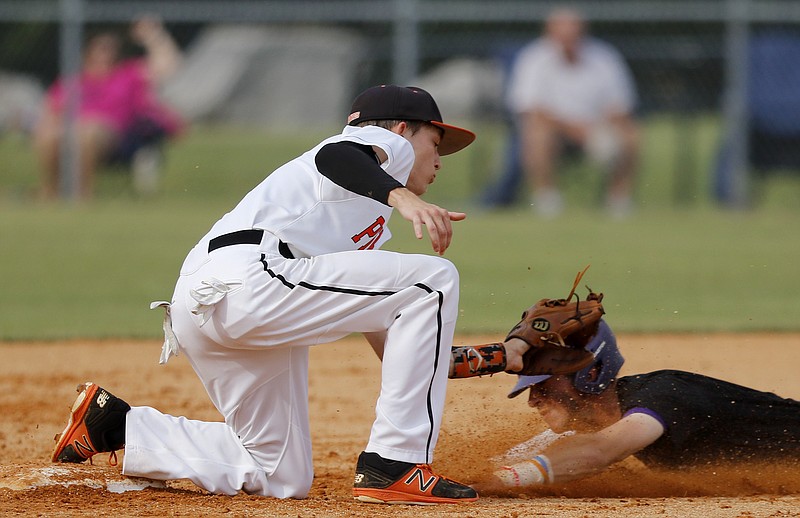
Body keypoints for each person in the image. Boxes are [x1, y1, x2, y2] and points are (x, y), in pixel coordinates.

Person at [51, 85, 485, 505]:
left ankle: (120, 427)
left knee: (278, 473)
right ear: (401, 131)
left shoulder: (363, 212)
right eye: (436, 142)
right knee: (434, 279)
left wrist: (436, 359)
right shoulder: (368, 150)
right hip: (252, 279)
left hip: (214, 302)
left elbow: (377, 311)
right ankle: (395, 464)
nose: (439, 160)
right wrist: (403, 197)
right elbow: (338, 154)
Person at [483, 320, 800, 488]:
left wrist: (502, 481)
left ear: (589, 372)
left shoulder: (662, 397)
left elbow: (598, 453)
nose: (533, 400)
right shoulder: (614, 414)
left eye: (543, 385)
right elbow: (524, 456)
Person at [485, 7, 640, 217]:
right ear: (550, 32)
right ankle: (547, 199)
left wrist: (601, 129)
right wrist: (576, 129)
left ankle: (617, 200)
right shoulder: (534, 58)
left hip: (596, 128)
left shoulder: (605, 57)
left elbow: (620, 104)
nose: (569, 38)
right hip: (555, 131)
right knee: (537, 135)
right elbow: (531, 110)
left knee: (631, 135)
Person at [33, 16, 183, 200]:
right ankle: (50, 192)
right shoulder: (74, 81)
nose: (105, 54)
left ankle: (81, 194)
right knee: (50, 135)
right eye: (101, 48)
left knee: (88, 132)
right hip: (72, 130)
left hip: (116, 136)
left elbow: (169, 66)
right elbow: (52, 109)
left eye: (110, 49)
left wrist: (152, 35)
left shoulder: (128, 74)